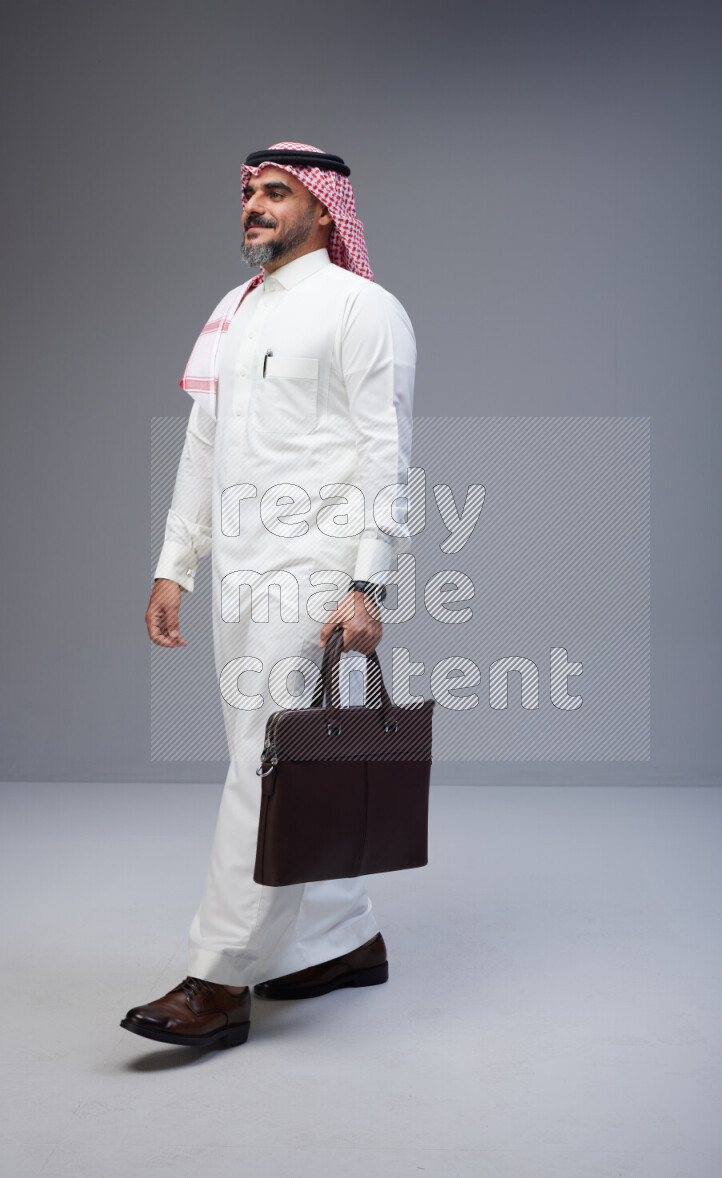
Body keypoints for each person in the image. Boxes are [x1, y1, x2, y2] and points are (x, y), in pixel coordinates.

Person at [120, 141, 416, 1049]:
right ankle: (339, 937)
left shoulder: (365, 309)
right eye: (249, 192)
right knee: (286, 758)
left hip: (316, 565)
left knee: (266, 760)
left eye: (276, 192)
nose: (254, 205)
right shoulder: (232, 311)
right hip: (242, 568)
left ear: (325, 210)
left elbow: (386, 455)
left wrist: (367, 583)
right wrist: (179, 563)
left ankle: (219, 978)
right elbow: (203, 448)